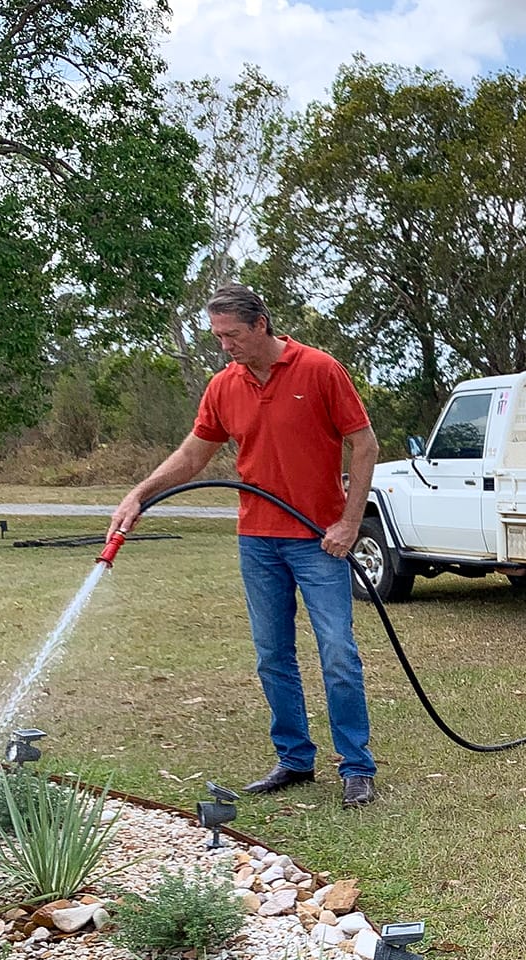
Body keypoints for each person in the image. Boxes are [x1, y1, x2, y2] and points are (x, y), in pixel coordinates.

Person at [110, 283, 380, 808]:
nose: (224, 345)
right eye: (217, 336)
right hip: (258, 541)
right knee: (272, 655)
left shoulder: (319, 369)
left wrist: (350, 523)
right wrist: (139, 494)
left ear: (260, 324)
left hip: (319, 541)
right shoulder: (223, 386)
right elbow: (192, 457)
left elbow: (364, 444)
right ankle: (295, 759)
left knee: (337, 653)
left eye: (231, 334)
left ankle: (356, 767)